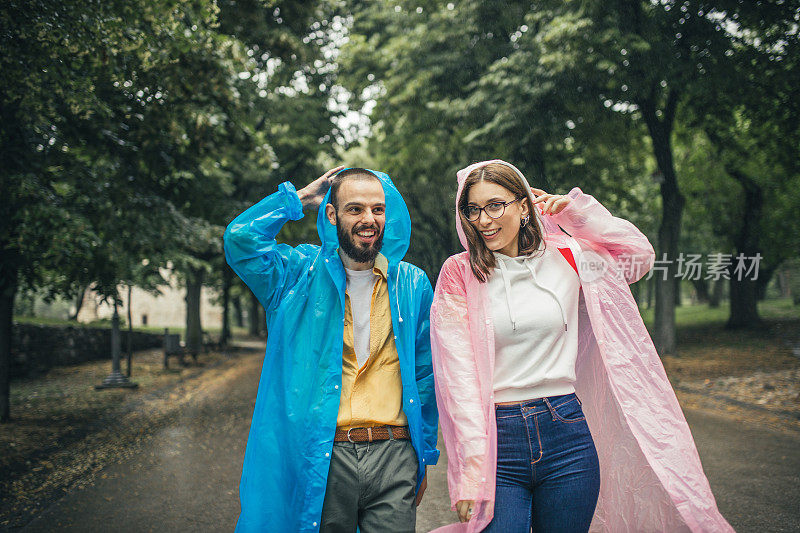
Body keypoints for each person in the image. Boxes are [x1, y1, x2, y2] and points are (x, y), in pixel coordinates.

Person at [429, 160, 733, 532]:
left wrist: (577, 212)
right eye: (472, 210)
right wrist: (472, 466)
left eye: (496, 205)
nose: (484, 220)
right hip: (499, 439)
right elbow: (457, 374)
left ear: (524, 205)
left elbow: (638, 257)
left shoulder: (569, 257)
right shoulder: (461, 273)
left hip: (566, 433)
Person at [224, 166, 439, 533]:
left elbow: (425, 373)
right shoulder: (295, 275)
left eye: (377, 209)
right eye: (355, 209)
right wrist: (298, 199)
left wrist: (424, 454)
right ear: (331, 214)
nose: (368, 219)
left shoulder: (412, 282)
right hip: (325, 455)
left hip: (395, 453)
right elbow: (241, 241)